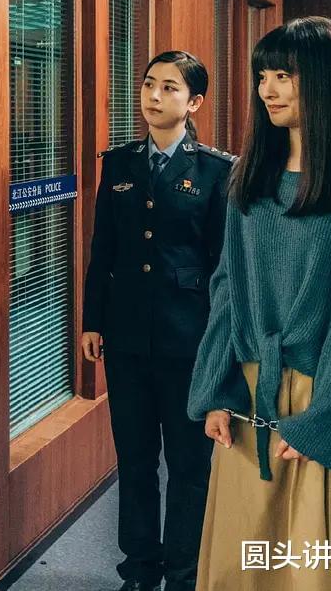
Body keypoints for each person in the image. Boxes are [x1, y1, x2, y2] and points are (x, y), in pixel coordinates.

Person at [187, 16, 331, 590]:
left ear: (325, 78)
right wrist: (215, 389)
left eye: (283, 75)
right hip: (249, 394)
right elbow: (228, 287)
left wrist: (321, 420)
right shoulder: (248, 173)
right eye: (262, 76)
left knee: (321, 569)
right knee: (245, 564)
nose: (267, 89)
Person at [81, 50, 234, 591]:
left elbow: (222, 265)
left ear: (194, 103)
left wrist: (222, 343)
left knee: (190, 466)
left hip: (189, 338)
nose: (154, 95)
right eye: (149, 84)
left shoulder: (216, 170)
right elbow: (103, 247)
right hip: (126, 337)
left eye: (170, 87)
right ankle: (140, 569)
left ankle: (183, 574)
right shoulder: (120, 163)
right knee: (136, 459)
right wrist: (92, 320)